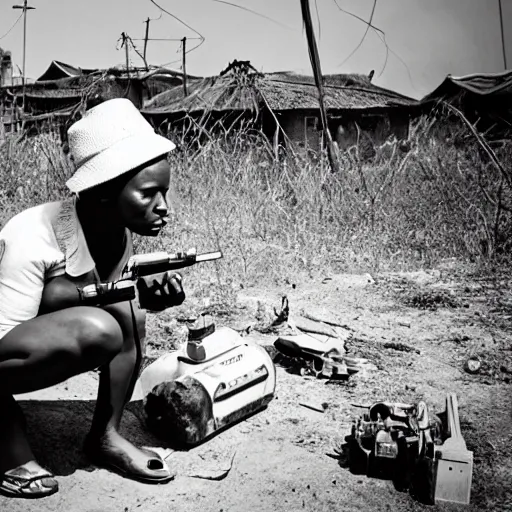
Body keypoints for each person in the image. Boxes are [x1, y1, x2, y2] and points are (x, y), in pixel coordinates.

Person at [0, 98, 185, 498]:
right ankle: (8, 441)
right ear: (103, 192)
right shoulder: (31, 235)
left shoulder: (115, 231)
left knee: (127, 313)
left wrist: (145, 295)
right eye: (149, 193)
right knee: (101, 327)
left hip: (28, 340)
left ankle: (105, 435)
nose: (163, 207)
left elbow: (109, 303)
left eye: (165, 192)